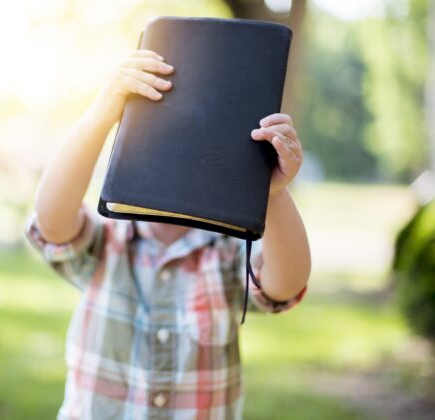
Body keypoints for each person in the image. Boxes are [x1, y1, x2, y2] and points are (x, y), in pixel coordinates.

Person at [25, 48, 311, 419]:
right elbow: (52, 220)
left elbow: (284, 284)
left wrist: (272, 192)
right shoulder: (108, 240)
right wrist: (101, 115)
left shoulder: (225, 251)